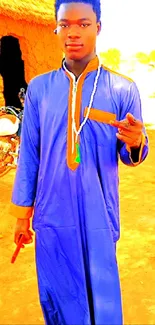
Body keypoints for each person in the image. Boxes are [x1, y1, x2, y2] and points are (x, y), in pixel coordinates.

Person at [11, 0, 149, 324]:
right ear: (56, 27)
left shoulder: (122, 89)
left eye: (83, 24)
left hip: (99, 214)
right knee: (58, 298)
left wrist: (136, 142)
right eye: (66, 24)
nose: (73, 32)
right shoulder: (39, 90)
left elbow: (133, 152)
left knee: (101, 299)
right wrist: (22, 215)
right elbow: (30, 152)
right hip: (50, 216)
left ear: (98, 27)